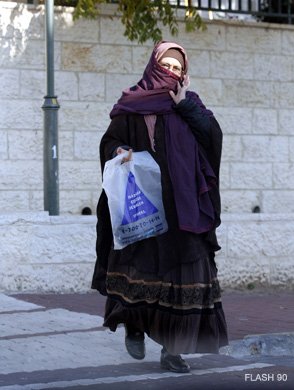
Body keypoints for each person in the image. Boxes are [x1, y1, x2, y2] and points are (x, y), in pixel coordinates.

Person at [92, 41, 228, 373]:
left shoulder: (190, 104)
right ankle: (134, 327)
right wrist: (119, 151)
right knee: (140, 271)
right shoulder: (132, 104)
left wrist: (184, 106)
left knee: (186, 275)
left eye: (179, 68)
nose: (173, 72)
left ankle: (173, 350)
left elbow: (213, 137)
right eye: (167, 65)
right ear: (154, 65)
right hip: (143, 207)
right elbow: (109, 142)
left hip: (184, 210)